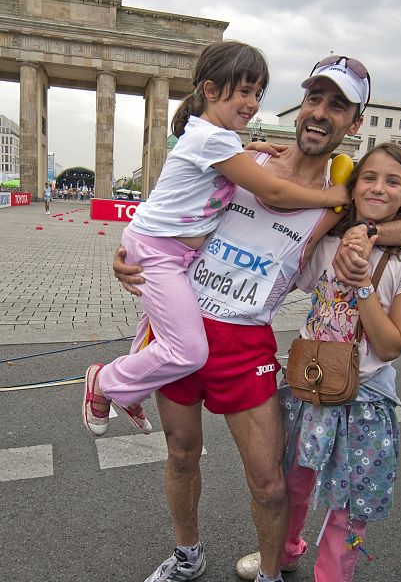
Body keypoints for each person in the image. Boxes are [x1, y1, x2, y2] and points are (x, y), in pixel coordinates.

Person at [113, 56, 401, 582]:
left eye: (337, 105)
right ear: (302, 103)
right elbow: (171, 209)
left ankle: (272, 581)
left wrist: (362, 233)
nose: (320, 113)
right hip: (183, 319)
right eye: (314, 98)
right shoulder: (249, 159)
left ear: (353, 120)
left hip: (246, 342)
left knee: (270, 484)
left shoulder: (340, 202)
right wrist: (131, 255)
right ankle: (187, 555)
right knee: (182, 453)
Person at [237, 143, 401, 582]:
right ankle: (281, 550)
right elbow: (279, 247)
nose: (377, 188)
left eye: (393, 182)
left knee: (350, 515)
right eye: (368, 178)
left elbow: (393, 344)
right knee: (294, 485)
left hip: (365, 402)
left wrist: (364, 284)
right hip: (307, 389)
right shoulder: (329, 244)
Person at [82, 41, 350, 438]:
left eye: (258, 93)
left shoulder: (217, 138)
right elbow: (274, 192)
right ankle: (105, 381)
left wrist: (251, 147)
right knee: (188, 350)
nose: (252, 103)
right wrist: (330, 197)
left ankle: (130, 386)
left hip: (176, 259)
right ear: (209, 90)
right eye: (243, 91)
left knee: (168, 337)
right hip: (161, 252)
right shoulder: (214, 140)